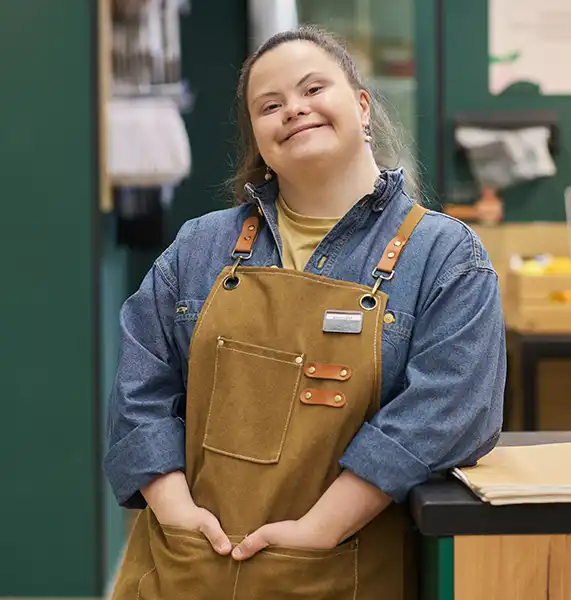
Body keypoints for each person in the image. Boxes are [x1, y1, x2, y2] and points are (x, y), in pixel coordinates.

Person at [105, 26, 505, 600]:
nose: (293, 109)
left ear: (363, 106)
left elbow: (451, 410)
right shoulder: (200, 248)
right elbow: (139, 384)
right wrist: (175, 511)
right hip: (187, 566)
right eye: (270, 106)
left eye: (313, 89)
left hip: (342, 569)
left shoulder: (445, 258)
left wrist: (321, 529)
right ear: (258, 139)